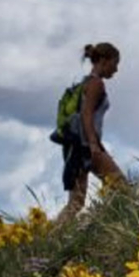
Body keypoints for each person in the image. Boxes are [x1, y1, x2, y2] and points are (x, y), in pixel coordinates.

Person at [55, 42, 126, 224]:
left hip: (75, 147)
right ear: (103, 60)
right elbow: (87, 114)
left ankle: (46, 238)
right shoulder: (96, 84)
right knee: (121, 186)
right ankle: (111, 224)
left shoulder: (85, 83)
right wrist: (94, 145)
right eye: (115, 63)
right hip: (88, 147)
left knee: (75, 203)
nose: (116, 69)